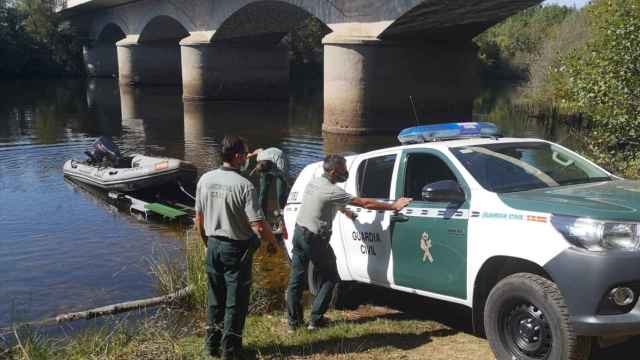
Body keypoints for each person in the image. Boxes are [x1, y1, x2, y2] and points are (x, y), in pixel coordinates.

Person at [286, 154, 412, 331]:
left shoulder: (315, 182)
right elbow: (364, 203)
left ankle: (293, 324)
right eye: (343, 170)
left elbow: (330, 201)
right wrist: (393, 206)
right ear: (333, 171)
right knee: (331, 278)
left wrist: (346, 213)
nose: (346, 172)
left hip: (299, 233)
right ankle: (315, 320)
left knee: (296, 280)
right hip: (314, 238)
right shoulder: (332, 190)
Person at [195, 136, 278, 359]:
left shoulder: (205, 179)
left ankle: (211, 347)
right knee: (235, 303)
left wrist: (207, 244)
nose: (249, 157)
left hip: (212, 245)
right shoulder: (245, 185)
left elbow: (199, 219)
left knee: (215, 300)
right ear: (238, 156)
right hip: (237, 250)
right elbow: (259, 226)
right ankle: (230, 351)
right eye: (247, 153)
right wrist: (273, 242)